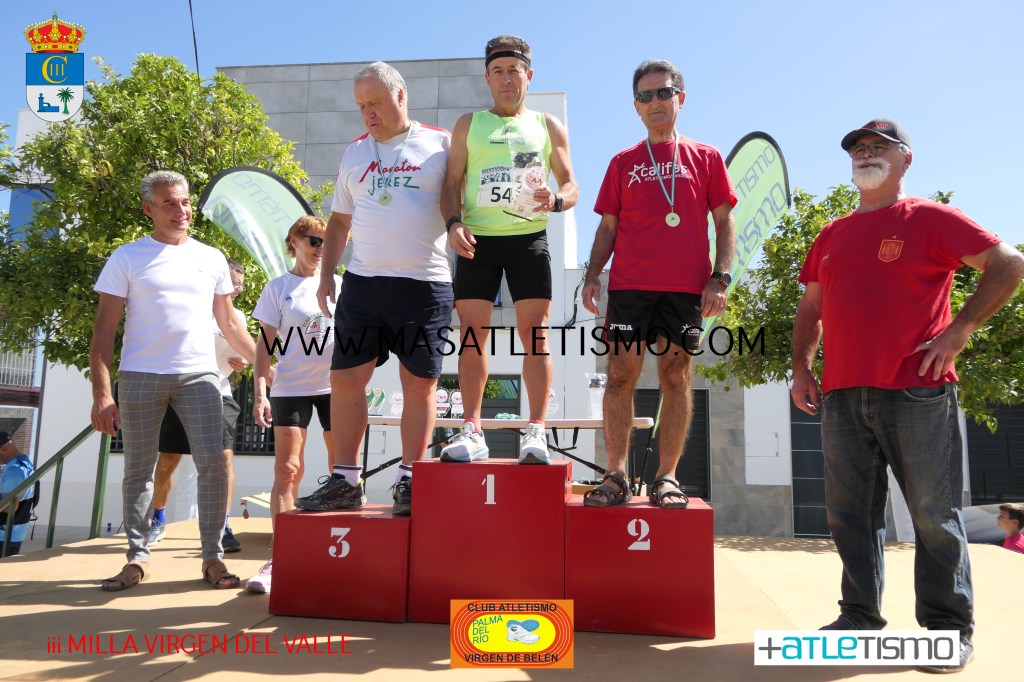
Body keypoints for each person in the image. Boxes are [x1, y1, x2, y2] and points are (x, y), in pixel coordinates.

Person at [790, 118, 1024, 672]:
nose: (866, 153)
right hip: (843, 394)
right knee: (850, 514)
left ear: (905, 159)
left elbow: (1009, 264)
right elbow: (810, 308)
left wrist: (960, 330)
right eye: (858, 148)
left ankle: (947, 630)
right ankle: (858, 617)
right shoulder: (831, 234)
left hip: (918, 390)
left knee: (932, 514)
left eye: (879, 146)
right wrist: (801, 367)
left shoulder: (931, 219)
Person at [296, 61, 452, 518]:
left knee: (419, 384)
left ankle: (410, 478)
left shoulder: (441, 143)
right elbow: (339, 221)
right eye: (362, 105)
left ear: (401, 96)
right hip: (363, 286)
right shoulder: (354, 153)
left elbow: (459, 204)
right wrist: (327, 275)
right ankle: (345, 482)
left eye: (376, 103)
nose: (368, 113)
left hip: (424, 284)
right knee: (345, 378)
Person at [90, 170, 256, 591]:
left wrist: (266, 364)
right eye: (169, 203)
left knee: (214, 464)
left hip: (199, 376)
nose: (181, 210)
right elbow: (104, 333)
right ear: (149, 209)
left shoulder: (212, 258)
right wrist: (103, 394)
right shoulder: (127, 257)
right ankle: (137, 559)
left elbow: (230, 324)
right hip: (140, 376)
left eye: (184, 202)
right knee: (138, 470)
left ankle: (213, 559)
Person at [580, 60, 736, 508]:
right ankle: (615, 475)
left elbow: (725, 223)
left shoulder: (706, 158)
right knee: (619, 376)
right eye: (645, 96)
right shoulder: (622, 162)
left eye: (663, 93)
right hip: (629, 287)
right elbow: (607, 228)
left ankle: (667, 477)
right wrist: (592, 275)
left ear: (680, 98)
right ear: (636, 106)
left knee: (676, 377)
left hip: (685, 289)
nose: (655, 102)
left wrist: (720, 277)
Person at [440, 35, 578, 465]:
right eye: (497, 71)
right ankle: (473, 429)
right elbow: (451, 182)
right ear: (487, 78)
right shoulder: (469, 124)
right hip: (477, 239)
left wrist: (557, 200)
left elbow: (571, 185)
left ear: (528, 75)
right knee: (471, 336)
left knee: (535, 335)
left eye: (513, 71)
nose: (505, 79)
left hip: (527, 238)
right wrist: (453, 223)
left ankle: (536, 431)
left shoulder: (547, 125)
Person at [245, 216, 340, 594]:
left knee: (341, 473)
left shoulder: (340, 285)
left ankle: (340, 555)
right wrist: (259, 393)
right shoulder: (278, 288)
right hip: (290, 388)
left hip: (336, 388)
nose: (320, 248)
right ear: (294, 242)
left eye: (326, 242)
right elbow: (264, 346)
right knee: (287, 470)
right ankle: (282, 556)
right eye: (314, 240)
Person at [148, 259, 253, 552]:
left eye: (240, 286)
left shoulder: (238, 318)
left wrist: (243, 362)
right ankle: (157, 520)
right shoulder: (188, 310)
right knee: (168, 459)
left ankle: (222, 526)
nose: (236, 290)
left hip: (219, 392)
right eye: (232, 283)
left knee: (225, 459)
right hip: (181, 392)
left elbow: (244, 353)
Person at [0, 431, 35, 557]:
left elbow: (10, 507)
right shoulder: (23, 463)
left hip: (4, 535)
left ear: (3, 450)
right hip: (11, 533)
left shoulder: (14, 471)